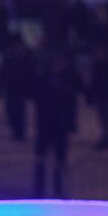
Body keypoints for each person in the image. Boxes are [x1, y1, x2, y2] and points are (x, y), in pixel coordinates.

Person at [32, 47, 82, 198]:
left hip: (61, 125)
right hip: (45, 124)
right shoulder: (43, 78)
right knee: (41, 159)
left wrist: (71, 123)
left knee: (60, 160)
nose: (58, 65)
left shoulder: (70, 79)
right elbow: (36, 96)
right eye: (56, 62)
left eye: (61, 62)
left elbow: (73, 101)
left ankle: (59, 190)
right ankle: (38, 191)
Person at [0, 37, 35, 142]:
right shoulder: (9, 58)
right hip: (11, 89)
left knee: (20, 111)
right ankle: (16, 130)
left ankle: (20, 132)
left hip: (22, 89)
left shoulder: (28, 58)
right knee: (11, 111)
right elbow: (2, 74)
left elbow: (32, 74)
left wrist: (32, 89)